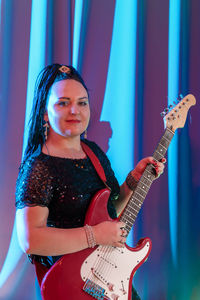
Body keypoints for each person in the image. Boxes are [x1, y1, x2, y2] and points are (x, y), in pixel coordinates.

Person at [15, 64, 165, 300]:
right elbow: (30, 240)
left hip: (110, 280)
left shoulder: (93, 152)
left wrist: (132, 182)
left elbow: (109, 211)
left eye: (82, 102)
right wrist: (95, 235)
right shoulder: (40, 166)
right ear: (45, 112)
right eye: (63, 103)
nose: (74, 110)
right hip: (74, 284)